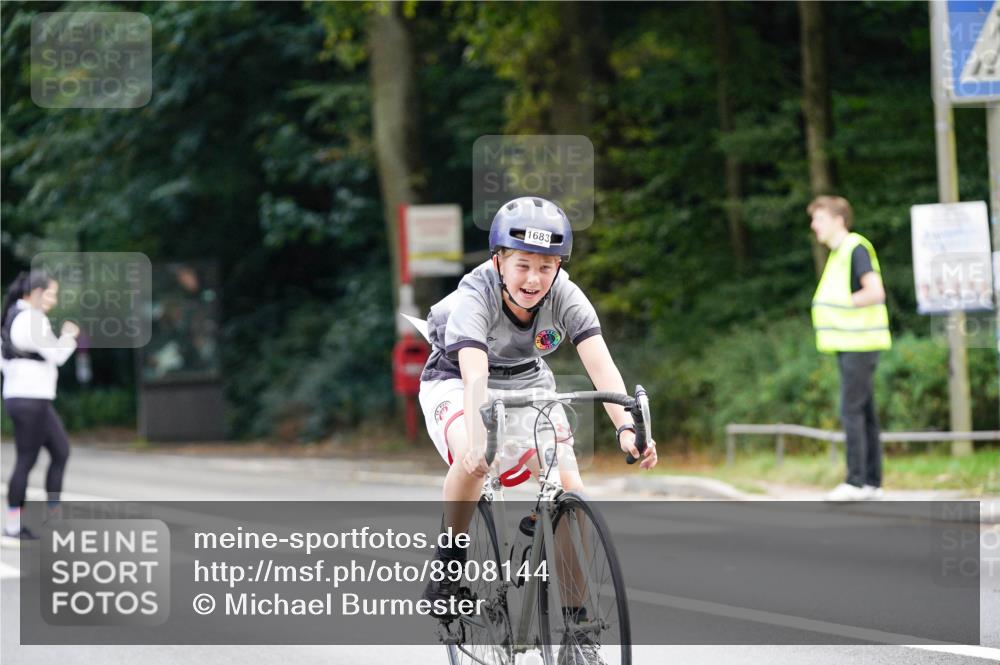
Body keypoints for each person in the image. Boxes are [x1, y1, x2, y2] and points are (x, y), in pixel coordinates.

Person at [417, 196, 658, 664]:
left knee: (570, 488)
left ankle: (578, 631)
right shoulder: (475, 295)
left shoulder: (565, 293)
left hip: (529, 377)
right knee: (473, 452)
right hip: (457, 377)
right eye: (523, 265)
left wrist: (626, 428)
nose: (533, 279)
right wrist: (480, 435)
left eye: (546, 268)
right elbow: (474, 374)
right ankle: (449, 565)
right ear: (498, 261)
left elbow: (599, 364)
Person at [808, 196, 891, 502]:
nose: (814, 225)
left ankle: (855, 481)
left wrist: (843, 305)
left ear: (837, 219)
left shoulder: (854, 248)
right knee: (866, 413)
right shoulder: (840, 253)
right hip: (852, 343)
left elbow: (874, 292)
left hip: (859, 342)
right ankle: (872, 482)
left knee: (851, 410)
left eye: (819, 218)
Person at [1, 270, 79, 539]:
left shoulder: (11, 316)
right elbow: (57, 355)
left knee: (60, 451)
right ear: (35, 292)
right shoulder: (32, 319)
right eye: (51, 293)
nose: (53, 300)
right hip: (31, 398)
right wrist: (69, 335)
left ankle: (53, 517)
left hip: (23, 396)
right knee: (27, 459)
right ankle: (13, 525)